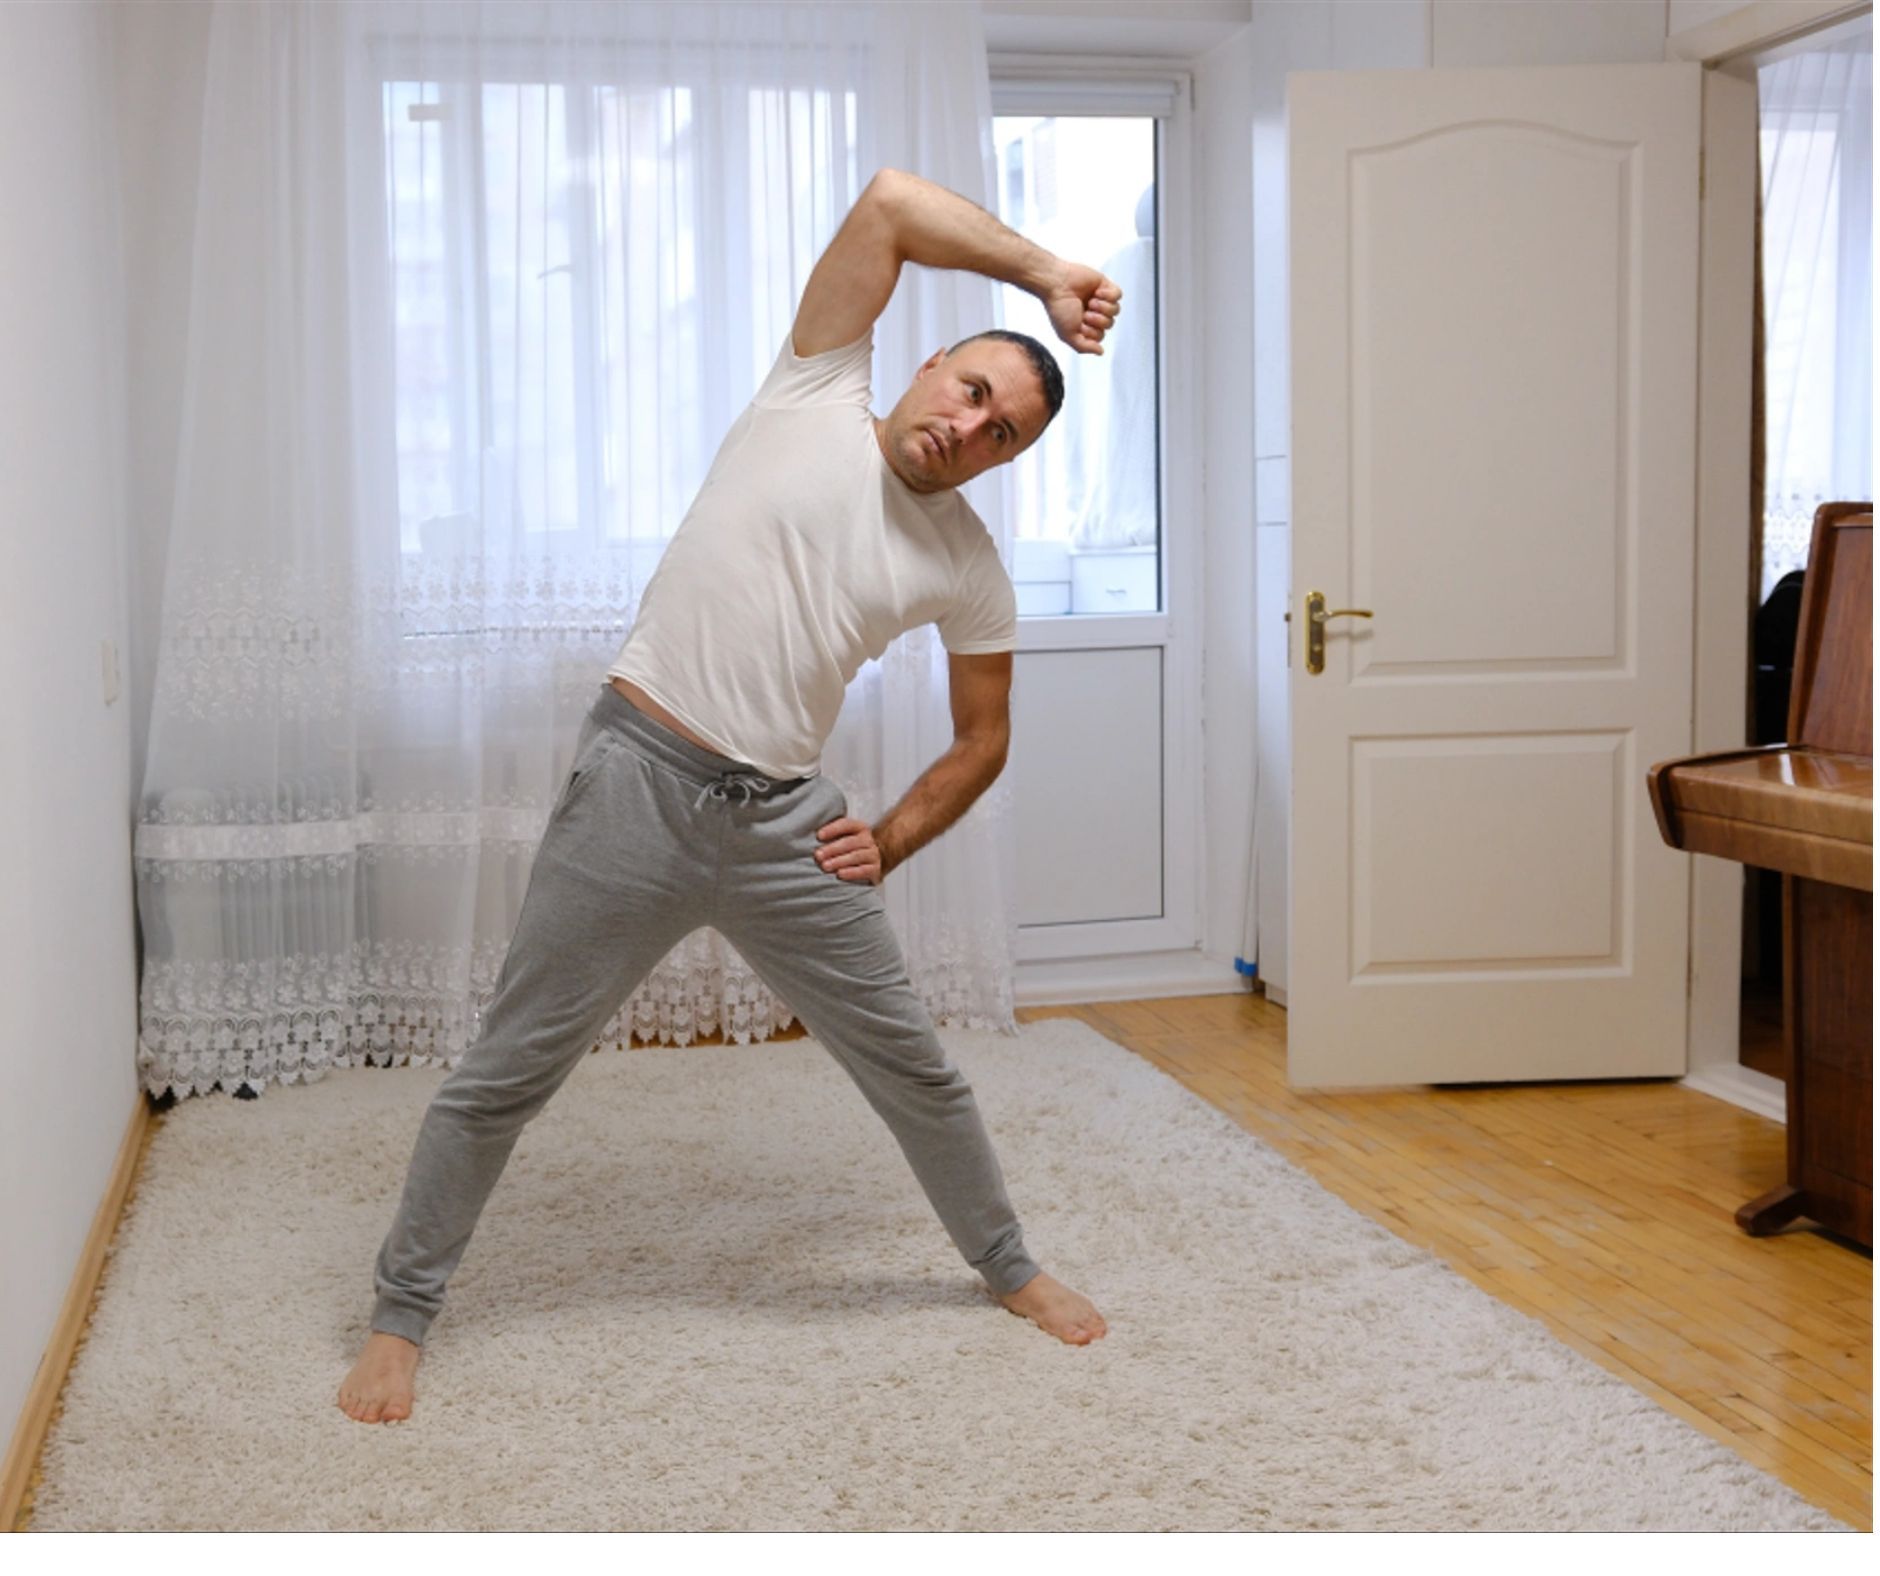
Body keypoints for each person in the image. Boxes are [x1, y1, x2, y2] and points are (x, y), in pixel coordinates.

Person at [338, 167, 1122, 1424]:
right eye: (972, 391)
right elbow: (889, 204)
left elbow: (983, 739)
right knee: (506, 1070)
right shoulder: (811, 390)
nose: (972, 429)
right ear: (926, 365)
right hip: (634, 787)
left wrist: (893, 839)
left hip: (783, 829)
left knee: (916, 1070)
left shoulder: (965, 565)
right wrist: (1043, 276)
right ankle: (400, 1316)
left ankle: (1007, 1265)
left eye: (1004, 435)